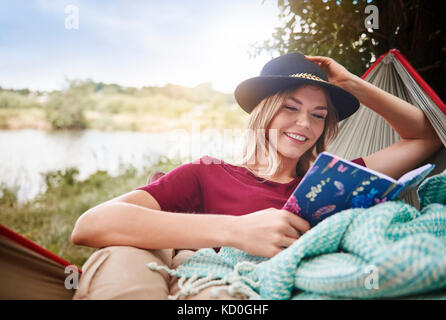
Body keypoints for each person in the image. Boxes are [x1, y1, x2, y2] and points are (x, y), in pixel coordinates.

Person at [71, 52, 442, 300]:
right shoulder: (208, 174)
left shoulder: (334, 180)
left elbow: (426, 137)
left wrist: (350, 84)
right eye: (290, 107)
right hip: (209, 287)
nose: (304, 123)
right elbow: (92, 224)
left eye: (318, 114)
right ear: (264, 113)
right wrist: (236, 230)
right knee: (122, 257)